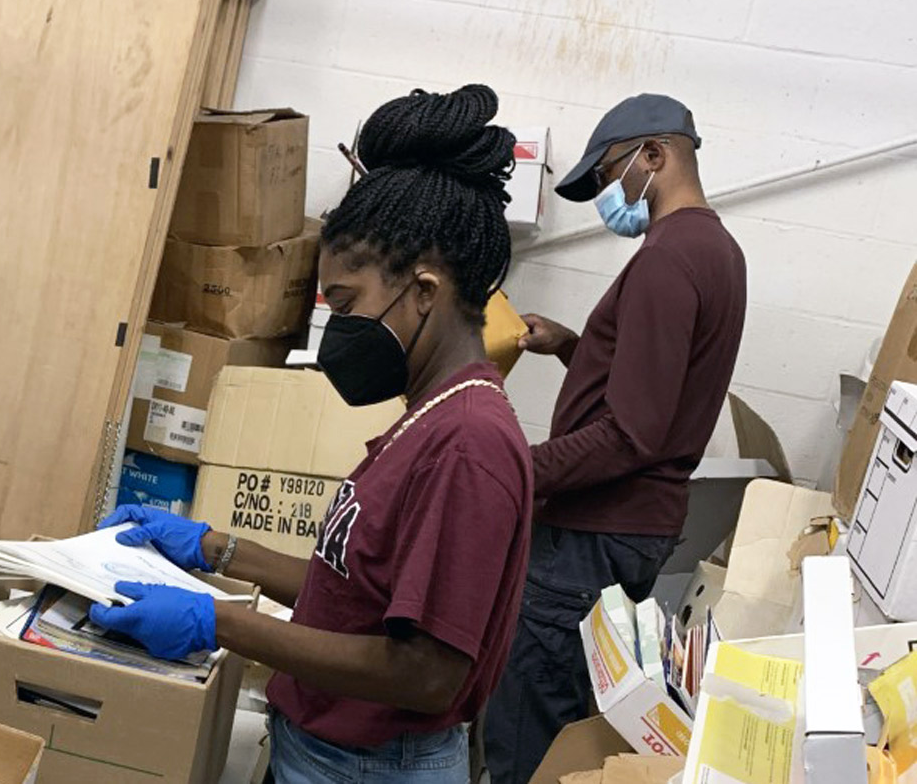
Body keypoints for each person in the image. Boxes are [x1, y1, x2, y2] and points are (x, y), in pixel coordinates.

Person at [88, 85, 533, 784]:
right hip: (328, 752)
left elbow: (426, 671)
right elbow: (353, 595)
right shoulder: (429, 413)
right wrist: (217, 548)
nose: (339, 333)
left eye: (349, 305)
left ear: (424, 289)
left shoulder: (469, 442)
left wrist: (219, 623)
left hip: (370, 768)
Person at [482, 94, 747, 783]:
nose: (606, 196)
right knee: (561, 722)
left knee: (526, 738)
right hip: (627, 532)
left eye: (607, 177)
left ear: (654, 157)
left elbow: (631, 434)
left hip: (593, 534)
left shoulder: (668, 257)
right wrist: (575, 346)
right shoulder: (718, 250)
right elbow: (657, 390)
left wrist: (513, 466)